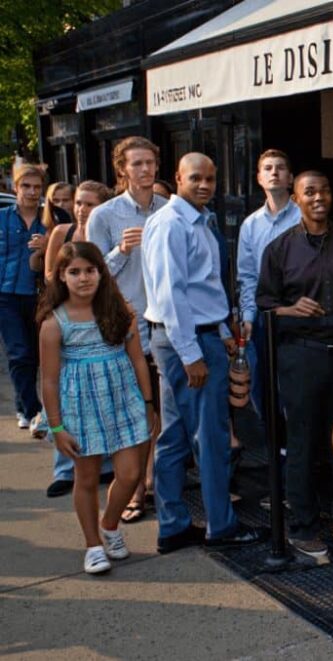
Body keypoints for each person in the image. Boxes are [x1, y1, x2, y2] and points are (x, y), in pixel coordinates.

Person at [143, 152, 262, 554]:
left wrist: (224, 329)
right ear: (177, 178)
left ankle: (174, 526)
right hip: (187, 341)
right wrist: (192, 352)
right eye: (196, 178)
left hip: (199, 335)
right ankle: (221, 527)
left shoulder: (198, 220)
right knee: (209, 436)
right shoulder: (172, 224)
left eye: (211, 178)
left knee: (175, 436)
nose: (205, 185)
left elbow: (203, 287)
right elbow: (170, 295)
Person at [256, 170, 333, 560]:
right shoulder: (278, 249)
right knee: (302, 443)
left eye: (324, 189)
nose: (318, 197)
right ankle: (303, 527)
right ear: (297, 199)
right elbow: (264, 306)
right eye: (309, 192)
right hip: (299, 355)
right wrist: (289, 309)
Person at [37, 241, 157, 574]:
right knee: (87, 477)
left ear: (101, 273)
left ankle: (110, 524)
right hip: (80, 408)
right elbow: (48, 381)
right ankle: (93, 545)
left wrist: (148, 404)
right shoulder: (53, 324)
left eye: (90, 270)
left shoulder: (122, 312)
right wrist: (57, 427)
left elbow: (138, 361)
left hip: (123, 401)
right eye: (74, 272)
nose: (84, 278)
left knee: (132, 473)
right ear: (61, 276)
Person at [87, 136, 170, 521]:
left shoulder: (169, 210)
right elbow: (92, 276)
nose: (145, 170)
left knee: (159, 411)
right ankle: (133, 488)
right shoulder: (104, 216)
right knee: (132, 413)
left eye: (150, 163)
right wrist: (121, 250)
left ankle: (149, 482)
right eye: (137, 164)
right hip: (124, 329)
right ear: (122, 170)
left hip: (164, 324)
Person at [40, 181, 116, 495]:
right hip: (66, 317)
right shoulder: (63, 233)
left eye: (90, 203)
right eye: (79, 203)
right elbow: (48, 274)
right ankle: (65, 469)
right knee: (63, 388)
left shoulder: (106, 232)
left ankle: (105, 465)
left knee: (102, 389)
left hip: (100, 318)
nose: (83, 209)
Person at [236, 149, 301, 416]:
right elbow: (247, 276)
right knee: (263, 387)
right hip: (264, 318)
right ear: (259, 179)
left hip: (298, 316)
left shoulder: (303, 217)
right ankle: (275, 447)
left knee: (295, 387)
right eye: (268, 168)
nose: (274, 172)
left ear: (290, 178)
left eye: (280, 167)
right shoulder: (250, 225)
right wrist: (249, 316)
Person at [1, 164, 60, 434]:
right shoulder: (3, 218)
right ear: (16, 188)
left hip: (39, 297)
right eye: (26, 186)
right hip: (6, 296)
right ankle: (33, 410)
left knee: (37, 355)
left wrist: (48, 246)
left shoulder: (51, 220)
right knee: (19, 353)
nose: (32, 192)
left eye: (37, 187)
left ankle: (25, 406)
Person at [43, 181, 113, 279]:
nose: (81, 209)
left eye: (89, 205)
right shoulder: (60, 232)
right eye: (78, 203)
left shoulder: (111, 236)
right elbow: (49, 275)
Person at [28, 182, 74, 274]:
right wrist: (39, 252)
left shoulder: (84, 224)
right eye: (56, 201)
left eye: (65, 200)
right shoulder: (43, 226)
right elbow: (35, 267)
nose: (61, 205)